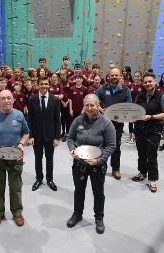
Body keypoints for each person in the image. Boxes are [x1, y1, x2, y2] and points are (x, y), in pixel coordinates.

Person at [66, 94, 116, 234]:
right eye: (86, 105)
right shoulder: (78, 120)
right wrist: (72, 149)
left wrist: (99, 160)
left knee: (98, 192)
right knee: (79, 190)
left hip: (97, 165)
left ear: (98, 105)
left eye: (92, 105)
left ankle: (99, 218)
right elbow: (70, 138)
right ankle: (77, 214)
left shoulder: (106, 123)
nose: (89, 108)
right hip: (79, 163)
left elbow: (111, 145)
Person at [0, 90, 30, 227]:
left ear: (13, 100)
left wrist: (21, 144)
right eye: (3, 98)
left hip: (15, 157)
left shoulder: (19, 115)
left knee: (16, 187)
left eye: (9, 98)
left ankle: (17, 213)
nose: (6, 101)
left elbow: (26, 133)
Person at [132, 72, 164, 192]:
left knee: (152, 155)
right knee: (141, 154)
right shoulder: (140, 95)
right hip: (140, 130)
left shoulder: (162, 97)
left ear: (154, 81)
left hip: (154, 131)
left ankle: (152, 179)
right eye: (145, 82)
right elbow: (135, 109)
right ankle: (142, 173)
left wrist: (152, 117)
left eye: (150, 81)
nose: (148, 84)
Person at [97, 67, 131, 180]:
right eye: (112, 75)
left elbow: (129, 107)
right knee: (102, 145)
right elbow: (94, 102)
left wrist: (124, 117)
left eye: (116, 75)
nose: (114, 77)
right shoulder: (102, 88)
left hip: (117, 124)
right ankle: (102, 165)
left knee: (116, 147)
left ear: (120, 75)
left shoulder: (126, 90)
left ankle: (116, 168)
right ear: (109, 76)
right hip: (103, 123)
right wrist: (101, 110)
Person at [28, 76, 61, 191]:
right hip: (36, 136)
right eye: (42, 84)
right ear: (38, 84)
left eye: (46, 84)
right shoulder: (32, 99)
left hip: (50, 135)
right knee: (38, 158)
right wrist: (30, 135)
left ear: (49, 84)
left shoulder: (55, 100)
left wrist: (57, 137)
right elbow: (30, 119)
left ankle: (50, 179)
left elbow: (58, 120)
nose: (44, 86)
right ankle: (38, 179)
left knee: (49, 158)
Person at [126, 71, 143, 144]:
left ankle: (135, 136)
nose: (137, 78)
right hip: (131, 106)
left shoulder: (143, 86)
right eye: (135, 76)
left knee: (137, 122)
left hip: (139, 107)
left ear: (141, 77)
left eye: (138, 76)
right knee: (130, 122)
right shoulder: (130, 86)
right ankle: (130, 137)